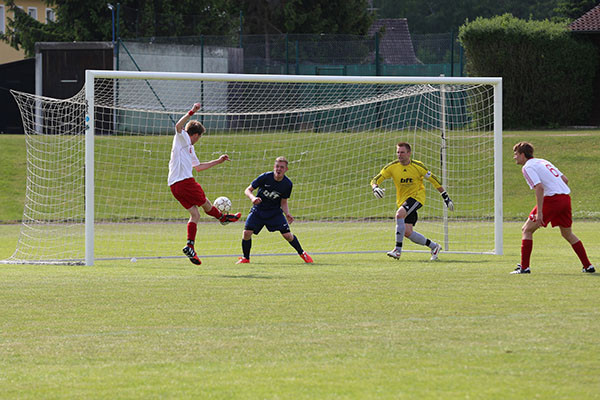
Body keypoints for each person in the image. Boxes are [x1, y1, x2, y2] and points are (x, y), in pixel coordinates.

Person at [168, 102, 241, 265]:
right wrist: (192, 111)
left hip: (174, 186)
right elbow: (179, 126)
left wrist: (218, 161)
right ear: (195, 134)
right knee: (207, 205)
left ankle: (190, 246)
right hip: (184, 182)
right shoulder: (183, 137)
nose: (198, 140)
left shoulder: (190, 149)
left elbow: (199, 167)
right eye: (199, 137)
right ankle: (223, 218)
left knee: (195, 215)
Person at [511, 142, 595, 274]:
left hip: (552, 200)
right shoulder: (543, 161)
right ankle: (588, 266)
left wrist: (540, 212)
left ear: (522, 154)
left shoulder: (527, 167)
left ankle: (524, 267)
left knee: (526, 230)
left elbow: (539, 187)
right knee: (567, 233)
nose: (514, 157)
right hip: (565, 198)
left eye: (516, 154)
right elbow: (565, 180)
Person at [370, 142, 454, 260]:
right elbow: (376, 179)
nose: (399, 155)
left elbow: (434, 180)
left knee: (399, 214)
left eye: (402, 152)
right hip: (403, 201)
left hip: (417, 197)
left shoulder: (418, 166)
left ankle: (397, 250)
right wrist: (375, 187)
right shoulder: (392, 167)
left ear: (409, 153)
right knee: (407, 232)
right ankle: (434, 246)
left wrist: (445, 197)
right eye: (398, 152)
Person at [236, 156, 313, 264]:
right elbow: (248, 190)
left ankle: (302, 253)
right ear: (274, 167)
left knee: (287, 235)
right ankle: (246, 258)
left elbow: (283, 201)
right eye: (277, 166)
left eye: (282, 167)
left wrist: (287, 213)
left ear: (286, 169)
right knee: (246, 233)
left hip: (274, 212)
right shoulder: (265, 177)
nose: (279, 169)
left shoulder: (287, 184)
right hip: (259, 210)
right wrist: (253, 198)